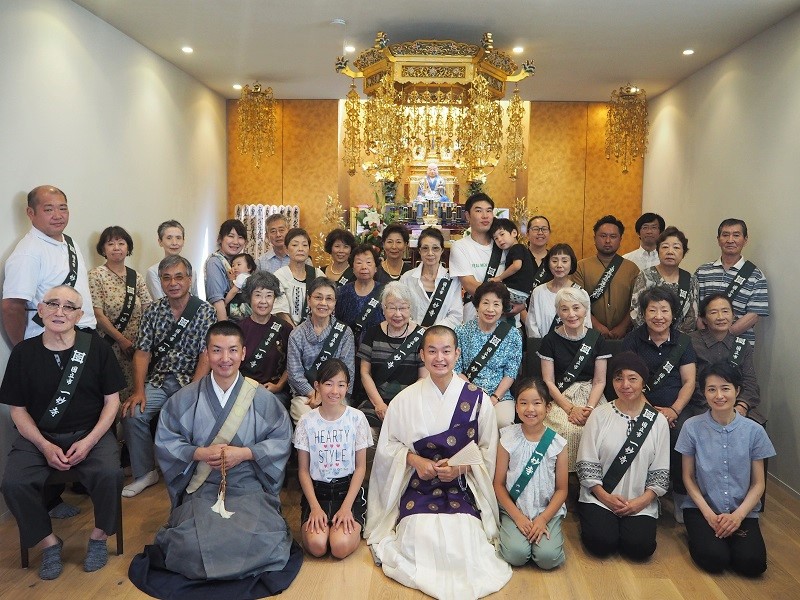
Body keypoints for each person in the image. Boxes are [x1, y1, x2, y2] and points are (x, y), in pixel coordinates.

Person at [128, 321, 302, 599]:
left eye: (232, 350)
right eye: (217, 350)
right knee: (189, 545)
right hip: (203, 485)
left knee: (263, 537)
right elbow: (167, 441)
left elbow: (281, 440)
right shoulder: (184, 399)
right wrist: (197, 453)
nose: (225, 358)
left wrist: (246, 453)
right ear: (206, 353)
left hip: (249, 484)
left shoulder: (262, 399)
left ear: (243, 353)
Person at [365, 325, 512, 599]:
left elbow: (487, 450)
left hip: (461, 487)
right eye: (432, 351)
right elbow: (387, 447)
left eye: (446, 351)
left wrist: (461, 467)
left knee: (466, 538)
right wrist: (413, 460)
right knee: (418, 536)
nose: (439, 358)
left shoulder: (478, 399)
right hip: (418, 485)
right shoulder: (404, 400)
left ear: (457, 353)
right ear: (421, 355)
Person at [0, 285, 125, 579]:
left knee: (111, 474)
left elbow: (112, 401)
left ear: (79, 315)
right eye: (52, 304)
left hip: (90, 434)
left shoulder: (97, 349)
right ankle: (49, 543)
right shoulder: (23, 353)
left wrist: (91, 439)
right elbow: (17, 410)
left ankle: (98, 537)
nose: (60, 311)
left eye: (69, 307)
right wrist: (43, 445)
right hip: (39, 437)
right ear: (40, 310)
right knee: (14, 482)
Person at [3, 184, 97, 519]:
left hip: (81, 340)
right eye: (48, 208)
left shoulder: (68, 242)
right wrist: (24, 351)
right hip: (49, 345)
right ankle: (46, 500)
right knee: (48, 417)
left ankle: (82, 479)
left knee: (80, 410)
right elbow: (13, 305)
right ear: (31, 213)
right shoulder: (29, 251)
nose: (58, 215)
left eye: (63, 207)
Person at [121, 255, 216, 497]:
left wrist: (193, 392)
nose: (173, 283)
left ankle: (195, 470)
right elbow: (142, 353)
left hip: (193, 380)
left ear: (189, 279)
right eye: (167, 278)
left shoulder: (205, 311)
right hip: (160, 380)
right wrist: (139, 390)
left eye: (179, 277)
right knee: (133, 413)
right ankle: (145, 473)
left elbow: (206, 356)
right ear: (161, 282)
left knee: (196, 414)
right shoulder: (153, 311)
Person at [676, 362, 775, 576]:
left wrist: (738, 516)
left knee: (752, 565)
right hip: (702, 509)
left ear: (737, 391)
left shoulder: (754, 431)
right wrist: (711, 516)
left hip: (742, 510)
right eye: (711, 389)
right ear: (704, 392)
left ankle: (727, 537)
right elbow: (689, 477)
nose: (719, 395)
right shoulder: (691, 427)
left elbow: (758, 484)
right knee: (715, 560)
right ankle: (701, 535)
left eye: (725, 388)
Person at [576, 351, 670, 560]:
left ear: (643, 382)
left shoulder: (658, 421)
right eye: (619, 378)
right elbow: (586, 462)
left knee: (640, 549)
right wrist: (605, 497)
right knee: (601, 544)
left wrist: (641, 502)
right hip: (600, 497)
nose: (625, 385)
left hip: (639, 501)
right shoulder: (600, 415)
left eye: (632, 378)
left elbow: (660, 471)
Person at [622, 285, 697, 520]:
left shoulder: (683, 342)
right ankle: (636, 490)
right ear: (643, 313)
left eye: (664, 310)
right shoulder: (632, 340)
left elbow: (689, 381)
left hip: (676, 406)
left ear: (673, 313)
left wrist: (674, 410)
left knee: (683, 432)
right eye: (652, 310)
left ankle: (679, 492)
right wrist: (650, 411)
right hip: (639, 403)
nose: (658, 317)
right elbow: (628, 380)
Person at [294, 359, 372, 559]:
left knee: (339, 547)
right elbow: (303, 470)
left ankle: (351, 518)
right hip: (317, 494)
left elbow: (361, 468)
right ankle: (319, 521)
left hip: (347, 492)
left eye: (341, 384)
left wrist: (346, 507)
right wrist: (314, 507)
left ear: (347, 386)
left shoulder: (356, 418)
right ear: (317, 386)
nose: (334, 391)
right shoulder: (306, 421)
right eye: (328, 383)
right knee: (317, 546)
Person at [494, 377, 568, 570]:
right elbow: (499, 484)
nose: (530, 409)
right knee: (516, 555)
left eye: (537, 403)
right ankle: (514, 530)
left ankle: (549, 530)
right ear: (516, 407)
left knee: (548, 558)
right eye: (523, 403)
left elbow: (561, 489)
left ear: (548, 408)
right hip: (514, 509)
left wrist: (543, 518)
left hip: (545, 511)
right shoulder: (507, 437)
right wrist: (517, 517)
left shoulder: (557, 443)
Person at [538, 287, 609, 471]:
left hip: (591, 395)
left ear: (585, 310)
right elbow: (548, 381)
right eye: (564, 309)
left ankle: (597, 478)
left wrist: (589, 409)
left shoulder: (597, 339)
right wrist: (570, 409)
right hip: (561, 397)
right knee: (565, 430)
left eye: (576, 308)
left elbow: (600, 381)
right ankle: (566, 479)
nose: (571, 314)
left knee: (601, 430)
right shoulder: (550, 340)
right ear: (558, 312)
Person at [89, 226, 152, 399]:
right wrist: (122, 341)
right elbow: (97, 314)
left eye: (121, 243)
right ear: (103, 249)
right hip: (109, 345)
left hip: (137, 346)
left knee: (136, 391)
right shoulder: (96, 276)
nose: (116, 247)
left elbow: (148, 308)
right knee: (111, 393)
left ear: (128, 248)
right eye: (110, 244)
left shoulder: (136, 277)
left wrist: (141, 339)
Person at [287, 277, 355, 425]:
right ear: (309, 300)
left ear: (335, 303)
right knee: (309, 423)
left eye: (329, 299)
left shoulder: (344, 332)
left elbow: (348, 371)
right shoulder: (296, 334)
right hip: (306, 397)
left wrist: (327, 393)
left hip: (336, 394)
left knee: (343, 424)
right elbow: (294, 374)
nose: (323, 303)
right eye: (318, 297)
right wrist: (314, 393)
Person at [455, 281, 523, 429]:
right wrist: (474, 393)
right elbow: (456, 369)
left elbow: (510, 373)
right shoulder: (461, 331)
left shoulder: (513, 335)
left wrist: (494, 398)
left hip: (499, 396)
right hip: (466, 391)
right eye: (485, 303)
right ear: (477, 305)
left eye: (496, 304)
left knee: (503, 422)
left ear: (503, 308)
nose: (490, 309)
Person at [358, 282, 427, 426]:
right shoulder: (372, 333)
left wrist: (400, 406)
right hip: (376, 402)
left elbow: (423, 378)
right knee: (367, 432)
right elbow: (365, 373)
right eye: (392, 308)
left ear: (410, 309)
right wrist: (379, 404)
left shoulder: (421, 336)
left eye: (402, 308)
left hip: (410, 403)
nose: (397, 314)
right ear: (383, 309)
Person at [694, 218, 769, 346]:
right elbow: (693, 304)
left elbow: (754, 314)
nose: (730, 240)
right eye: (725, 235)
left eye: (736, 235)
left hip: (739, 346)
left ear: (745, 240)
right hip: (703, 344)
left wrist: (723, 336)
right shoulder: (702, 271)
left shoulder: (755, 275)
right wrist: (705, 334)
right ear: (718, 239)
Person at [689, 293, 762, 421]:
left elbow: (750, 382)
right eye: (713, 312)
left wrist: (742, 406)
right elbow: (690, 381)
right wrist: (715, 405)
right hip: (701, 405)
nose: (721, 317)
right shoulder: (691, 342)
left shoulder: (742, 345)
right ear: (704, 319)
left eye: (725, 311)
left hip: (736, 405)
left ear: (733, 316)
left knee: (754, 427)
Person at [573, 215, 639, 339]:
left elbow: (636, 303)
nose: (608, 241)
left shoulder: (631, 268)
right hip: (588, 333)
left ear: (620, 239)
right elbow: (576, 301)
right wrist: (596, 325)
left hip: (624, 335)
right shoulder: (581, 267)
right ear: (594, 238)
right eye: (603, 236)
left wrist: (623, 327)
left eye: (613, 236)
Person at [238, 271, 292, 408]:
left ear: (275, 299)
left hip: (274, 392)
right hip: (242, 390)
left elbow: (292, 363)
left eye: (269, 296)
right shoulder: (238, 329)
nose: (263, 301)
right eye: (258, 295)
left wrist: (278, 386)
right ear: (249, 297)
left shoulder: (284, 328)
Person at [630, 226, 699, 334]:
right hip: (647, 339)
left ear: (683, 253)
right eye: (665, 247)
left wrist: (674, 340)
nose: (670, 252)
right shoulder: (646, 275)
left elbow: (692, 316)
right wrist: (656, 337)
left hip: (679, 343)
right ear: (658, 250)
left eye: (676, 247)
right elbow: (636, 312)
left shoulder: (690, 279)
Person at [448, 192, 504, 322]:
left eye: (489, 211)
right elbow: (470, 284)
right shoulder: (460, 247)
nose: (485, 216)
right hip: (475, 316)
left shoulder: (502, 244)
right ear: (468, 215)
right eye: (479, 211)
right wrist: (503, 302)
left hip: (507, 317)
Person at [400, 227, 463, 330]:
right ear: (419, 251)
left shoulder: (452, 280)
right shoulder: (407, 278)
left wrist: (433, 331)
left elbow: (456, 316)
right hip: (412, 337)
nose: (430, 253)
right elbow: (401, 311)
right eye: (425, 248)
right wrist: (417, 329)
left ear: (442, 250)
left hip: (442, 338)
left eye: (435, 248)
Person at [525, 243, 591, 338]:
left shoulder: (581, 293)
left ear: (571, 264)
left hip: (573, 348)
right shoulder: (538, 292)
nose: (559, 265)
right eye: (554, 261)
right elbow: (532, 324)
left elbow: (586, 325)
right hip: (544, 348)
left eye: (564, 261)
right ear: (548, 264)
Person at [272, 228, 324, 325]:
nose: (300, 249)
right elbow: (281, 312)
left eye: (304, 245)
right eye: (295, 245)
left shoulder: (318, 274)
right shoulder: (280, 276)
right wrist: (296, 334)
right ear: (286, 249)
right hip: (288, 331)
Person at [335, 244, 385, 341]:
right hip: (347, 346)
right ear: (352, 268)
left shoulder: (385, 292)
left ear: (375, 268)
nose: (364, 267)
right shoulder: (341, 292)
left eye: (369, 262)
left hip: (377, 346)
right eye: (359, 263)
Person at [489, 218, 535, 312]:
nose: (500, 240)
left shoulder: (517, 248)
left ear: (514, 233)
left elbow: (516, 266)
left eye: (502, 234)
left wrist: (499, 278)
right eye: (496, 238)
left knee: (488, 291)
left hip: (514, 291)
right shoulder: (522, 249)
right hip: (523, 294)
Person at [205, 219, 247, 321]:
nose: (236, 242)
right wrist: (224, 331)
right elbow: (217, 301)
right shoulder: (215, 262)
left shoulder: (238, 262)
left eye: (240, 237)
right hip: (226, 323)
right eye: (231, 236)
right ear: (220, 239)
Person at [145, 220, 199, 300]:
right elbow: (160, 302)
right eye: (169, 238)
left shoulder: (191, 270)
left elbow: (195, 300)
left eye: (178, 238)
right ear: (160, 242)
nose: (174, 242)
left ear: (183, 241)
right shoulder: (153, 272)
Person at [224, 252, 257, 320]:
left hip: (241, 305)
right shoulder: (249, 277)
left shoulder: (242, 276)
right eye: (233, 265)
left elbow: (233, 291)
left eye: (239, 264)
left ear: (249, 267)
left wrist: (225, 303)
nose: (235, 267)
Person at [526, 215, 554, 292]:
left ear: (549, 233)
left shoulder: (554, 259)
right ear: (527, 234)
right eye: (536, 229)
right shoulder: (520, 257)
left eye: (544, 229)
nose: (540, 233)